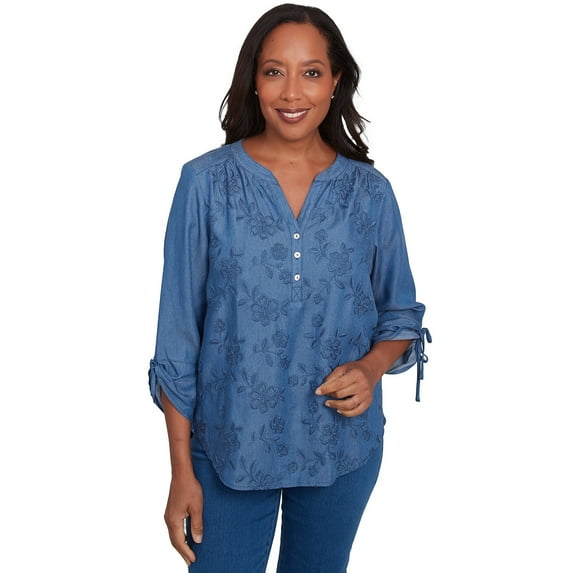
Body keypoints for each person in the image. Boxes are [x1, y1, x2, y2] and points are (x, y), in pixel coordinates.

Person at [148, 4, 431, 572]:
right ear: (253, 81)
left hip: (340, 446)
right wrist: (181, 469)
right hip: (227, 447)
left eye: (312, 72)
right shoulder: (205, 183)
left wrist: (371, 368)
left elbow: (400, 313)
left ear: (336, 81)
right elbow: (177, 337)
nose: (292, 91)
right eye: (275, 71)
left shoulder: (370, 192)